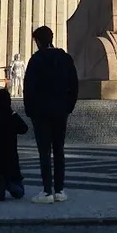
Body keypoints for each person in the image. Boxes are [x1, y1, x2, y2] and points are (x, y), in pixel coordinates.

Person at [23, 25, 79, 204]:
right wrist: (68, 107)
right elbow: (74, 85)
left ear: (38, 41)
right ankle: (60, 191)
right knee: (59, 150)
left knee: (44, 152)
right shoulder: (65, 58)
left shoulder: (36, 60)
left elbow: (28, 88)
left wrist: (30, 111)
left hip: (41, 113)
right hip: (60, 111)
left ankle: (47, 191)